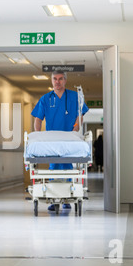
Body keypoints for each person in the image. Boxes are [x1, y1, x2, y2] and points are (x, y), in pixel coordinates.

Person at [31, 70, 89, 210]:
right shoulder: (46, 98)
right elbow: (38, 119)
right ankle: (53, 199)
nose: (57, 82)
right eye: (55, 79)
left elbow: (80, 114)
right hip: (52, 139)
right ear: (51, 81)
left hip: (69, 138)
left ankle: (67, 198)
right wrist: (38, 137)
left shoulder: (75, 97)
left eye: (61, 79)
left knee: (67, 168)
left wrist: (75, 128)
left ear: (65, 80)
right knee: (54, 168)